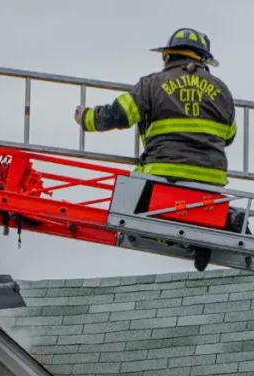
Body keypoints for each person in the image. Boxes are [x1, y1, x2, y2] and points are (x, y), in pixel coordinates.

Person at [74, 27, 238, 271]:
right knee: (190, 210)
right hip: (210, 181)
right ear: (203, 60)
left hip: (164, 175)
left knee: (130, 211)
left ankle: (177, 239)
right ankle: (210, 232)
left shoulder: (152, 84)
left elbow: (118, 115)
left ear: (168, 56)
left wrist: (86, 118)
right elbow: (229, 136)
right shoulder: (222, 90)